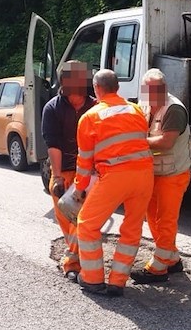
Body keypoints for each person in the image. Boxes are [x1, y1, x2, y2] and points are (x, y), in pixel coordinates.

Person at [70, 69, 154, 296]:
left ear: (97, 89)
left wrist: (79, 188)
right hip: (145, 174)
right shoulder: (136, 110)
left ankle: (93, 279)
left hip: (116, 176)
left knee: (87, 224)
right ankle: (118, 282)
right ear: (117, 88)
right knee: (132, 228)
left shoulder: (90, 117)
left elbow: (85, 160)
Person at [130, 68, 191, 284]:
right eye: (147, 89)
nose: (150, 93)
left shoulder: (174, 109)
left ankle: (157, 269)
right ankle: (171, 258)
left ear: (164, 88)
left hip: (173, 174)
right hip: (154, 172)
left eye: (155, 89)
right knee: (153, 217)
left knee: (165, 219)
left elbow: (166, 142)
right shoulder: (145, 103)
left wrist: (137, 142)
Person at [41, 60, 96, 283]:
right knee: (67, 216)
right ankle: (74, 262)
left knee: (87, 217)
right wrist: (57, 178)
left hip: (90, 171)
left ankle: (85, 260)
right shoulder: (52, 108)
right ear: (63, 82)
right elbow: (53, 144)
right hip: (64, 169)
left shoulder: (95, 106)